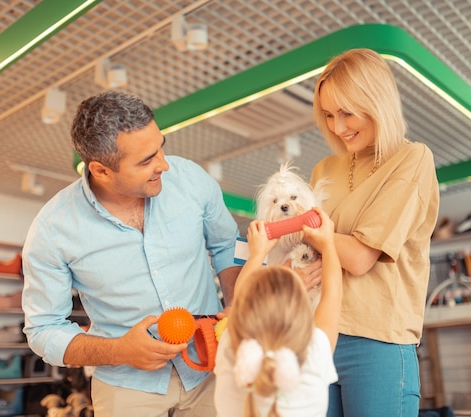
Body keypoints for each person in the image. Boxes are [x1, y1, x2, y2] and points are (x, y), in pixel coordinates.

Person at [21, 91, 242, 417]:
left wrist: (238, 307)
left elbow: (228, 246)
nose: (164, 164)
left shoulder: (190, 179)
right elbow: (43, 330)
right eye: (145, 161)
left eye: (160, 147)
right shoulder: (53, 229)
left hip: (212, 369)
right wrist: (120, 351)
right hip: (126, 385)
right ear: (101, 170)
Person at [309, 49, 440, 417]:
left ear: (376, 102)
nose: (337, 126)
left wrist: (302, 229)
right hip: (320, 333)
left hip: (378, 341)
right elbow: (314, 253)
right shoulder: (324, 169)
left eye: (347, 112)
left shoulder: (412, 159)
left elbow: (359, 257)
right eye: (329, 115)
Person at [214, 207, 343, 417]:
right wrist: (328, 246)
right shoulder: (314, 350)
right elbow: (333, 296)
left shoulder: (232, 348)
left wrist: (257, 254)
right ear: (301, 313)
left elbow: (242, 298)